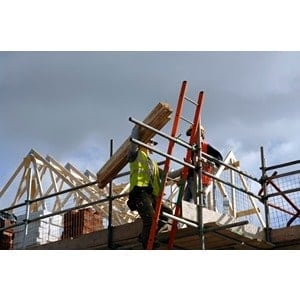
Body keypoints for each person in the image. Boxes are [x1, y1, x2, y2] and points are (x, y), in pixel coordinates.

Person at [127, 126, 172, 249]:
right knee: (150, 219)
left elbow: (168, 175)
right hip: (140, 193)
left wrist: (185, 172)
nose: (152, 145)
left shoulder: (153, 164)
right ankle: (147, 243)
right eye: (151, 142)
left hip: (151, 195)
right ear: (145, 141)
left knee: (167, 212)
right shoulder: (135, 154)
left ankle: (151, 235)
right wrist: (138, 127)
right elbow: (134, 139)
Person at [184, 124, 223, 204]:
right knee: (186, 204)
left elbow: (219, 159)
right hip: (191, 179)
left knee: (200, 203)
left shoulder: (205, 147)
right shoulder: (191, 149)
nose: (191, 137)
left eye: (193, 134)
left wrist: (206, 160)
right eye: (191, 135)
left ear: (200, 134)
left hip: (200, 180)